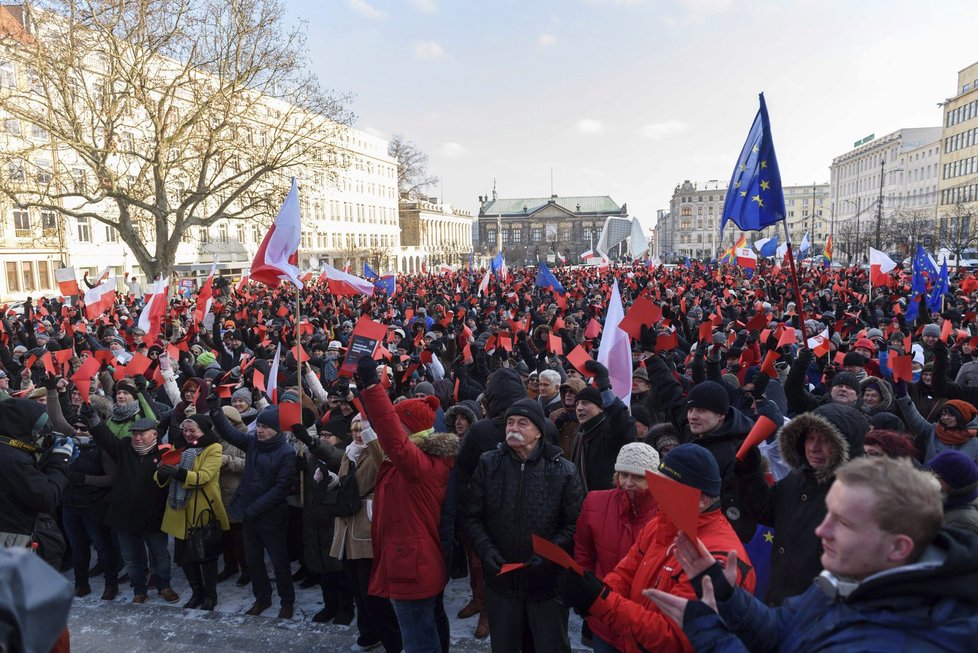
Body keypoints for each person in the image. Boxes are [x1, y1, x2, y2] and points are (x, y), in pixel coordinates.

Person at [646, 457, 978, 652]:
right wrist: (728, 597)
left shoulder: (902, 641)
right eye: (827, 514)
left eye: (844, 523)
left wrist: (710, 633)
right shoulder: (850, 575)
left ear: (898, 547)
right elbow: (784, 628)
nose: (822, 531)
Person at [561, 443, 755, 653]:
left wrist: (601, 602)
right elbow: (625, 573)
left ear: (702, 500)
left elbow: (674, 638)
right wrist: (593, 590)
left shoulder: (717, 557)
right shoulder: (660, 525)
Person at [355, 355, 459, 652]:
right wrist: (363, 390)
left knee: (417, 642)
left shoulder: (421, 465)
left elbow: (389, 432)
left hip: (412, 568)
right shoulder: (416, 460)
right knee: (423, 634)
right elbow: (385, 428)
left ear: (411, 431)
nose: (391, 433)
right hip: (409, 562)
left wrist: (374, 387)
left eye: (399, 426)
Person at [464, 397, 583, 653]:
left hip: (547, 587)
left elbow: (574, 526)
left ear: (538, 431)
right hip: (502, 586)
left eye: (522, 423)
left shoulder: (563, 471)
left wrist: (549, 554)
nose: (513, 428)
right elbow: (472, 516)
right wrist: (486, 550)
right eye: (509, 422)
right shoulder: (488, 463)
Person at [735, 403, 867, 606]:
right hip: (780, 603)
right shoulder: (798, 478)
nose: (813, 448)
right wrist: (750, 472)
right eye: (810, 438)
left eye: (825, 441)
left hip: (818, 615)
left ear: (846, 446)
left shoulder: (856, 498)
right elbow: (767, 511)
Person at [209, 401, 297, 618]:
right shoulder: (253, 443)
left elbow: (280, 488)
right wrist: (215, 412)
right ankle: (262, 598)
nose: (260, 430)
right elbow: (230, 434)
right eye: (259, 426)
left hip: (272, 517)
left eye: (265, 427)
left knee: (279, 563)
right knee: (254, 562)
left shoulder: (286, 452)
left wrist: (254, 508)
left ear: (277, 429)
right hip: (250, 516)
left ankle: (287, 602)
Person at [573, 442, 661, 652]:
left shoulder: (666, 513)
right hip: (605, 619)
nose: (628, 483)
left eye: (638, 477)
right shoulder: (595, 502)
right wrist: (588, 596)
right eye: (623, 475)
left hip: (647, 623)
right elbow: (584, 554)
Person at [84, 412, 180, 604]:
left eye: (141, 434)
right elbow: (105, 437)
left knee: (160, 556)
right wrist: (92, 418)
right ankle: (139, 590)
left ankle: (164, 587)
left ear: (154, 434)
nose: (136, 437)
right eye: (134, 433)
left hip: (154, 517)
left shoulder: (165, 453)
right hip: (124, 517)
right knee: (132, 559)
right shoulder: (124, 448)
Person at [329, 414, 403, 652]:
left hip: (365, 524)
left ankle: (393, 640)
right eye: (354, 430)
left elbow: (383, 461)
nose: (358, 434)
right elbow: (345, 482)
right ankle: (368, 633)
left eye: (362, 430)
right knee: (357, 589)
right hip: (347, 525)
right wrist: (330, 480)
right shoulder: (350, 452)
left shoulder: (376, 450)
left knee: (372, 591)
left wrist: (373, 431)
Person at [156, 415, 229, 611]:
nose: (187, 434)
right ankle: (196, 593)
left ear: (203, 431)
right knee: (186, 559)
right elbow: (163, 475)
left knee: (206, 558)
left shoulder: (213, 448)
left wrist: (177, 472)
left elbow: (204, 477)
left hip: (202, 512)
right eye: (185, 431)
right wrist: (161, 472)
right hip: (180, 512)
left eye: (192, 431)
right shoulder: (178, 447)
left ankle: (210, 596)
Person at [0, 398, 75, 549]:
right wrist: (60, 460)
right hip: (12, 540)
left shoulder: (8, 450)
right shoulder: (15, 460)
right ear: (22, 425)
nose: (41, 435)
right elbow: (46, 499)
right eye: (38, 430)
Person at [571, 361, 637, 493]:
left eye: (585, 403)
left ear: (601, 408)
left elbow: (620, 419)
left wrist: (604, 386)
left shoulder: (610, 432)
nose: (579, 408)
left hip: (608, 505)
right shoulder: (580, 435)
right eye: (577, 404)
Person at [927, 450, 978, 534]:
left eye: (937, 476)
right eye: (930, 470)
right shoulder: (944, 501)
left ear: (955, 485)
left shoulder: (965, 522)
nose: (929, 478)